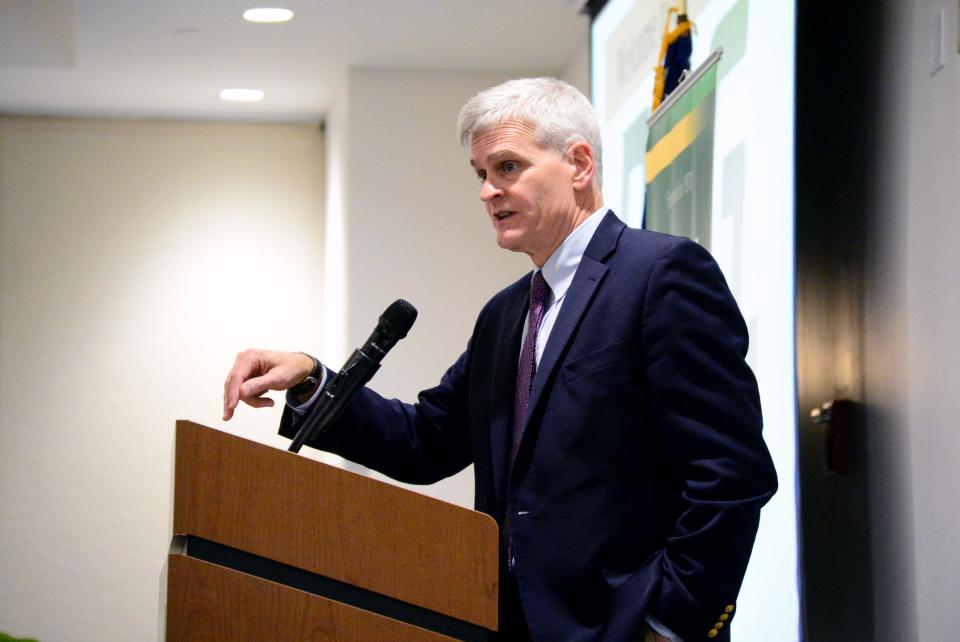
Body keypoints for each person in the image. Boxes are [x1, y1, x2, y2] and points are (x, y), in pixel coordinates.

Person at [223, 78, 777, 642]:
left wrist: (669, 623)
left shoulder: (660, 275)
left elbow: (729, 475)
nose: (488, 191)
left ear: (579, 164)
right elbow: (426, 440)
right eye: (481, 174)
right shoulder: (506, 314)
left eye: (508, 167)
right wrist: (314, 379)